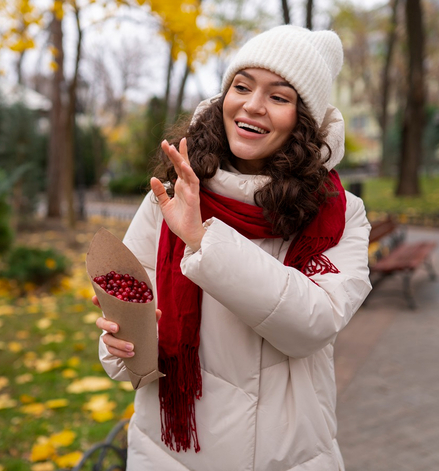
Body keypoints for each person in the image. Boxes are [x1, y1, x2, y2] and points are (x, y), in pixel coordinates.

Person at [93, 25, 372, 471]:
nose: (253, 106)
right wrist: (121, 341)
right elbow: (137, 331)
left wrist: (204, 239)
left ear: (303, 121)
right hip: (169, 451)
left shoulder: (340, 213)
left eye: (279, 97)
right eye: (242, 87)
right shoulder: (170, 195)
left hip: (288, 455)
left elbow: (313, 323)